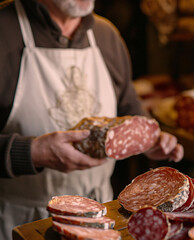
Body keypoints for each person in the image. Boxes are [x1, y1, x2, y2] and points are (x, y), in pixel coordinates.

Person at [0, 0, 184, 238]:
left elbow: (128, 106)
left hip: (99, 212)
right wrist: (31, 152)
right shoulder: (4, 31)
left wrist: (149, 142)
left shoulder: (105, 34)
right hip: (20, 219)